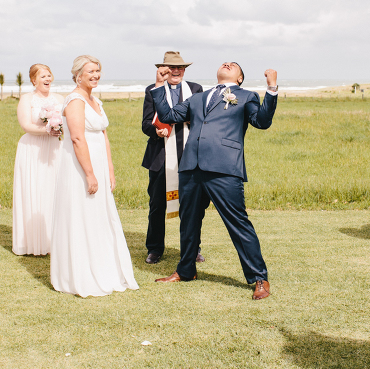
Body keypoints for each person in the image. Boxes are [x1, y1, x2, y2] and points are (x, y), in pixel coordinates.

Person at [151, 62, 278, 300]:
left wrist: (271, 89)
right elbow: (169, 116)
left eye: (234, 65)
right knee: (188, 222)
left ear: (239, 78)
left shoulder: (246, 95)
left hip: (225, 169)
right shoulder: (199, 98)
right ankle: (185, 270)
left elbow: (262, 121)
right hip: (190, 168)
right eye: (224, 63)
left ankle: (259, 278)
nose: (227, 63)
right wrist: (160, 85)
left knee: (238, 224)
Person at [49, 55, 139, 297]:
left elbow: (103, 136)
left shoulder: (95, 100)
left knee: (99, 216)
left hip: (98, 164)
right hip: (79, 167)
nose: (96, 75)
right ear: (78, 75)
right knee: (82, 214)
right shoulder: (75, 101)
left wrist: (108, 169)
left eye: (98, 71)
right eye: (91, 71)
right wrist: (89, 174)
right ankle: (80, 273)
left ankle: (103, 265)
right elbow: (78, 139)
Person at [142, 51, 204, 264]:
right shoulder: (152, 90)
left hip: (189, 155)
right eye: (170, 68)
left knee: (191, 206)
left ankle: (192, 249)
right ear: (163, 70)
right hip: (160, 155)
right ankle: (155, 249)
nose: (175, 71)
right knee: (157, 205)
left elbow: (200, 119)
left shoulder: (195, 90)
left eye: (179, 67)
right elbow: (145, 124)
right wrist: (155, 131)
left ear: (184, 70)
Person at [12, 64, 65, 256]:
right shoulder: (27, 99)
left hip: (55, 148)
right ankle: (33, 241)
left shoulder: (60, 99)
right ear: (34, 80)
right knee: (35, 188)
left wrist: (59, 129)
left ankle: (55, 239)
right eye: (43, 76)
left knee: (54, 188)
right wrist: (47, 130)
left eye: (49, 75)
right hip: (33, 148)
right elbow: (25, 125)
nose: (47, 79)